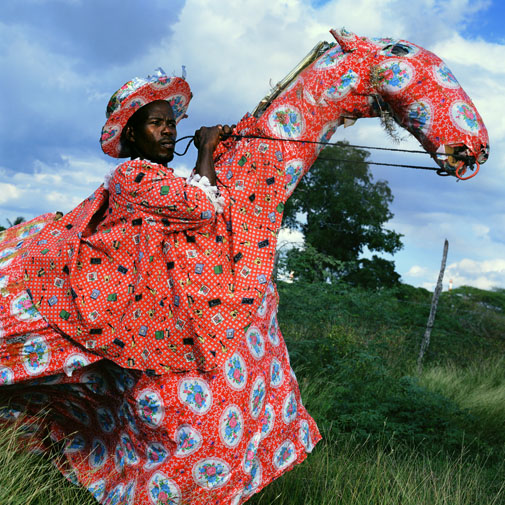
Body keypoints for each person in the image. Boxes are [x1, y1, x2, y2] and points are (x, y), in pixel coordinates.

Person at [0, 29, 489, 505]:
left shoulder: (157, 176)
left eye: (171, 121)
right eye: (155, 122)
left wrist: (219, 151)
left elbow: (195, 197)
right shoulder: (132, 175)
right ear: (130, 134)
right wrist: (207, 151)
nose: (168, 129)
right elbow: (201, 206)